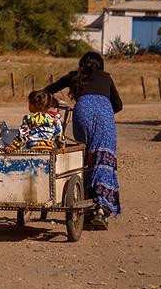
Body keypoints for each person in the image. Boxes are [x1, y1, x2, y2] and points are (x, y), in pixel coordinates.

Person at [44, 51, 122, 229]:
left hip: (82, 112)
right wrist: (104, 112)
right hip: (104, 114)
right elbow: (118, 105)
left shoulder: (74, 76)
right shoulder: (106, 77)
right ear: (100, 65)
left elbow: (47, 90)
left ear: (82, 63)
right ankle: (101, 209)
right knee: (103, 158)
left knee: (84, 157)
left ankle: (84, 204)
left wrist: (54, 102)